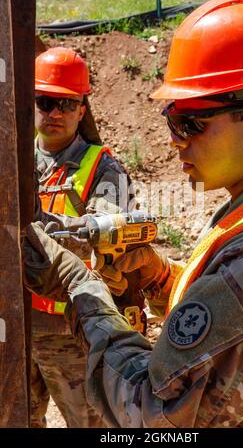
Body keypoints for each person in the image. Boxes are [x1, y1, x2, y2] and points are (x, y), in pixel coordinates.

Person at [24, 0, 243, 428]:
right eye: (171, 118)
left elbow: (153, 415)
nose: (174, 138)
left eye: (189, 121)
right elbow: (229, 303)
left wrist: (81, 289)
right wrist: (159, 276)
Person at [32, 46, 137, 428]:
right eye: (45, 102)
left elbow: (108, 241)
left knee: (89, 422)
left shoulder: (103, 168)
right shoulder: (14, 160)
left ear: (81, 108)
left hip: (72, 328)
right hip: (15, 320)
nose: (54, 113)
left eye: (66, 104)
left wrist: (38, 228)